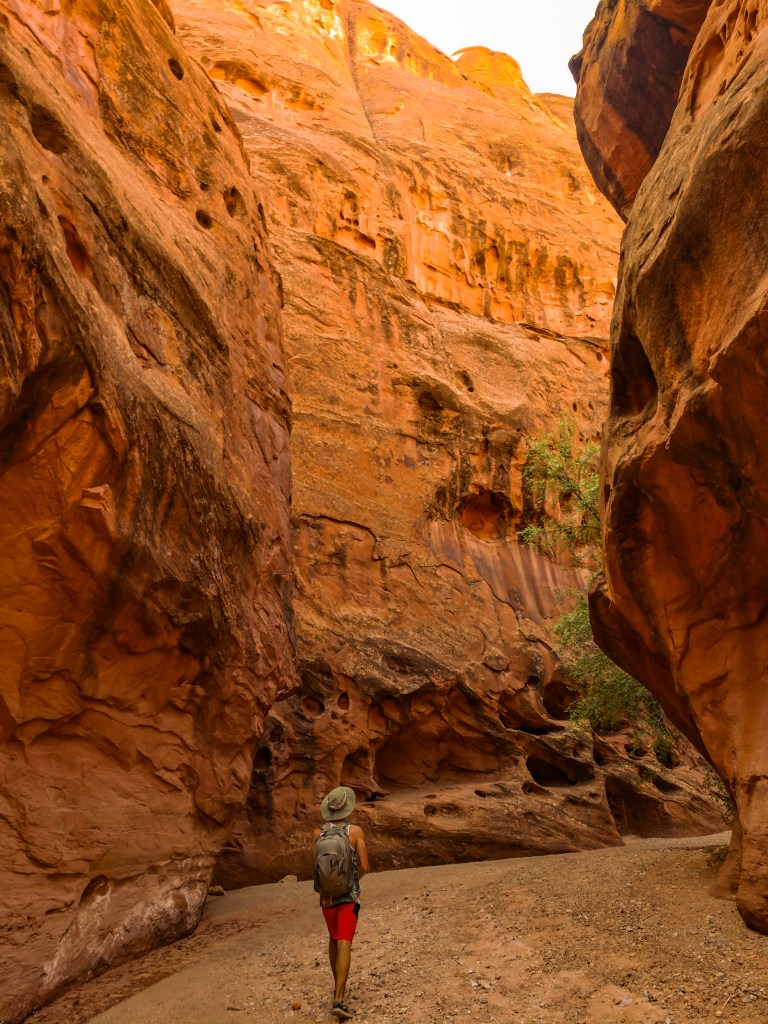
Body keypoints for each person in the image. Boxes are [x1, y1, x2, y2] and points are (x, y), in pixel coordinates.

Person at [311, 786, 369, 1021]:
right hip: (348, 896)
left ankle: (338, 988)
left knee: (334, 938)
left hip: (326, 897)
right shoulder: (355, 832)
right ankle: (339, 999)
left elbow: (314, 866)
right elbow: (364, 866)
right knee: (345, 941)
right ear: (347, 809)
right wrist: (351, 881)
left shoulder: (317, 834)